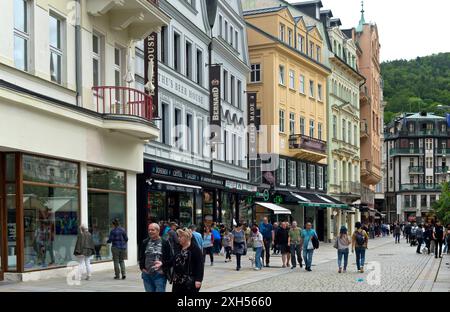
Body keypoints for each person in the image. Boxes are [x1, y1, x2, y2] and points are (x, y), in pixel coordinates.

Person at [139, 223, 171, 292]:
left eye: (152, 230)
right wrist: (142, 268)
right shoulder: (145, 242)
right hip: (147, 275)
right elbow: (141, 256)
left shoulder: (165, 243)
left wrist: (163, 269)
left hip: (159, 275)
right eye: (149, 230)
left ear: (158, 231)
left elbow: (170, 258)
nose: (150, 231)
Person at [171, 228, 204, 293]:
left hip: (189, 281)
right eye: (178, 236)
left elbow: (200, 265)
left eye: (180, 237)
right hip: (177, 281)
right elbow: (173, 260)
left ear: (186, 237)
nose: (178, 238)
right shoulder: (179, 247)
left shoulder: (195, 249)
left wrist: (198, 280)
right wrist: (162, 263)